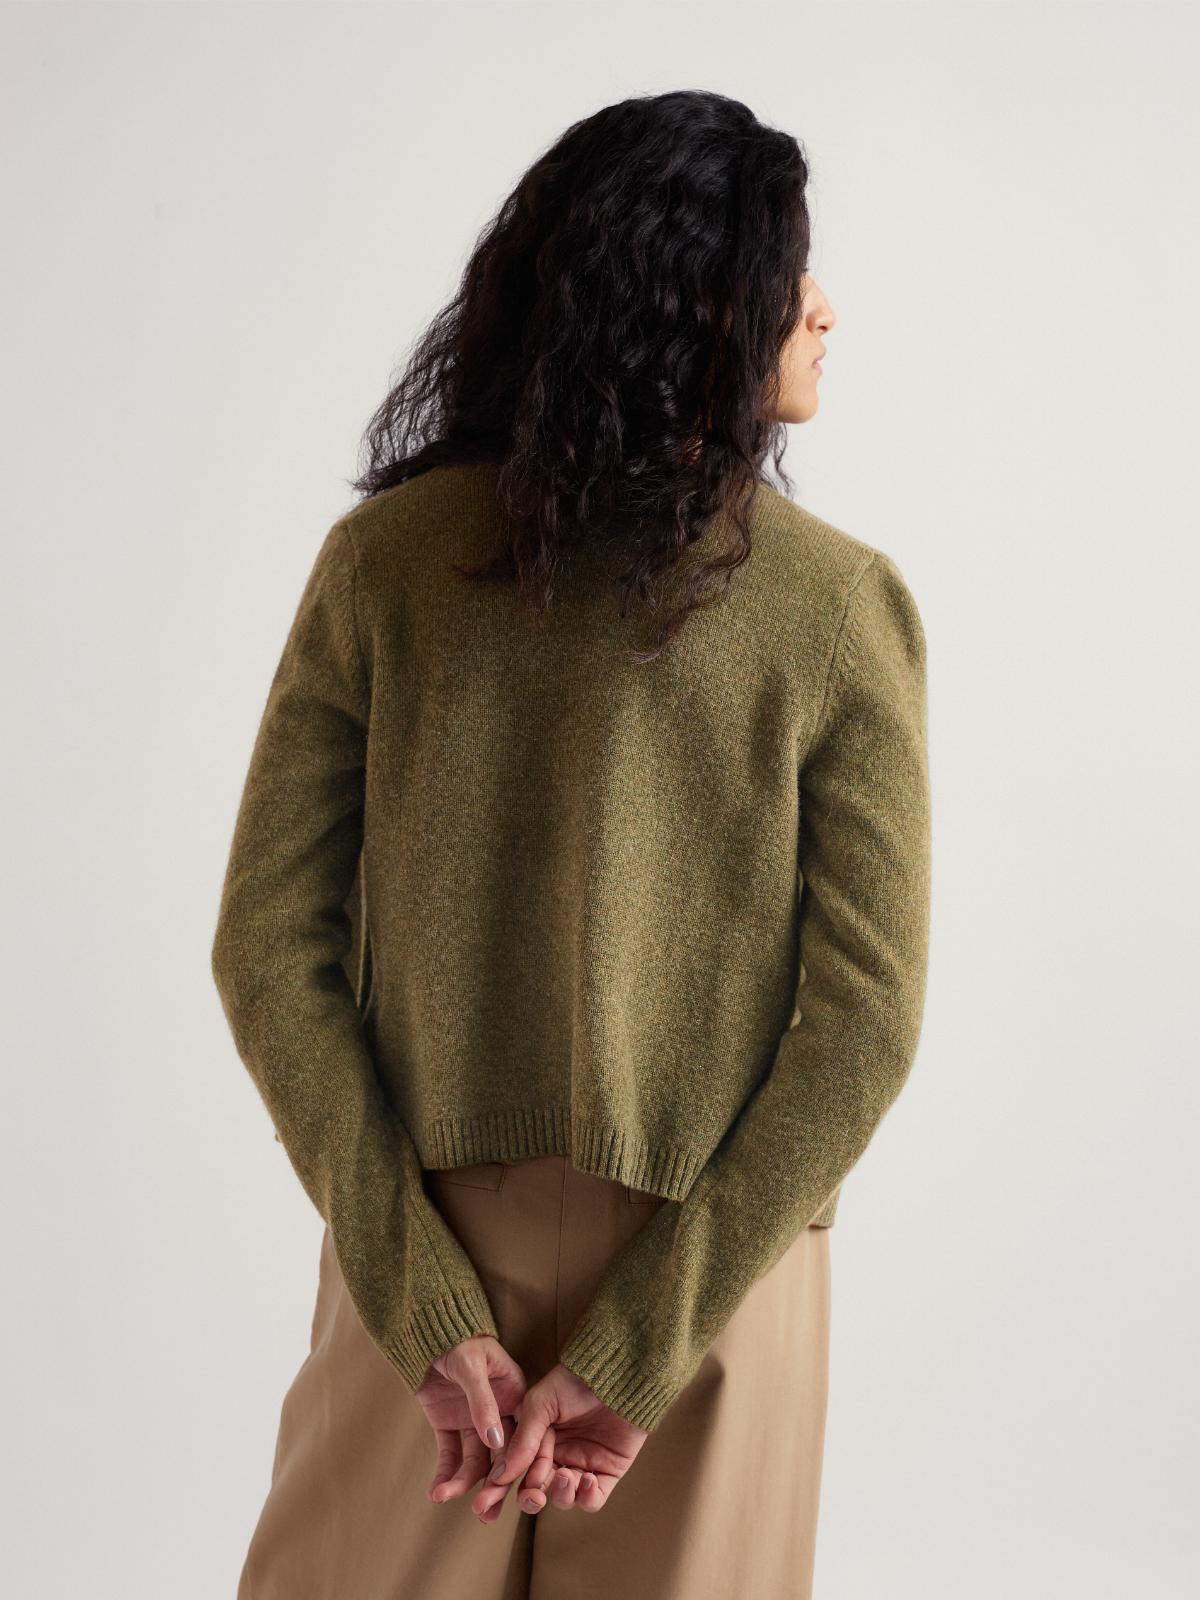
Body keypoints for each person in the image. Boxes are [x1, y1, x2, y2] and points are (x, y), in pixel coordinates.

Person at [210, 88, 932, 1600]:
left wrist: (415, 1292)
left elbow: (267, 951)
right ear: (700, 298)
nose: (823, 305)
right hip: (716, 1277)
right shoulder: (837, 607)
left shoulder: (385, 563)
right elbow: (861, 1024)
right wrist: (651, 1336)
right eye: (787, 265)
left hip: (425, 1241)